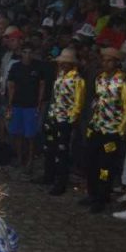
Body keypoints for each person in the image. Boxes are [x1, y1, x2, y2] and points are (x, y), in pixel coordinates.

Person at [82, 47, 126, 213]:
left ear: (117, 62)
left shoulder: (123, 81)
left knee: (106, 165)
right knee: (91, 162)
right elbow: (97, 101)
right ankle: (92, 192)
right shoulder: (100, 78)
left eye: (109, 60)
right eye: (104, 60)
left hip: (112, 132)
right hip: (97, 128)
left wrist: (121, 129)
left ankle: (102, 197)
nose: (105, 63)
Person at [41, 49, 85, 196]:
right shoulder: (60, 76)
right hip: (53, 116)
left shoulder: (77, 79)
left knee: (62, 152)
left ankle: (60, 183)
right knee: (49, 148)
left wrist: (71, 121)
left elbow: (78, 103)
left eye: (66, 62)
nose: (63, 64)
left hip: (64, 120)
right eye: (62, 62)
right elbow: (55, 96)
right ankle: (48, 176)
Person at [5, 43, 46, 171]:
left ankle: (29, 160)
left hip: (31, 105)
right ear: (21, 53)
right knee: (17, 133)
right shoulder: (15, 67)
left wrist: (39, 103)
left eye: (30, 52)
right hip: (17, 103)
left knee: (30, 135)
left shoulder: (38, 67)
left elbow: (42, 85)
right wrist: (10, 103)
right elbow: (11, 86)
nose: (27, 55)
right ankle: (19, 157)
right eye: (25, 52)